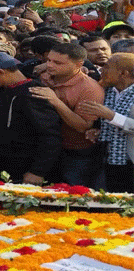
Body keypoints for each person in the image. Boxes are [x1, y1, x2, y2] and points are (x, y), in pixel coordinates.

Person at [0, 52, 62, 184]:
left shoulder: (34, 94)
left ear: (0, 72)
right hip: (0, 164)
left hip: (25, 167)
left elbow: (50, 135)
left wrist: (38, 171)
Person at [31, 43, 104, 187]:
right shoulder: (44, 76)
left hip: (77, 153)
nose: (50, 65)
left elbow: (82, 126)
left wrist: (55, 101)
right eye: (49, 60)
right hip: (45, 149)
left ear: (78, 64)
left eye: (57, 62)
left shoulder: (90, 89)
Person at [81, 53, 134, 193]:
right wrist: (98, 130)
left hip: (130, 161)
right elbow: (103, 121)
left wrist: (111, 116)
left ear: (123, 73)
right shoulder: (106, 90)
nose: (102, 70)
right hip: (107, 160)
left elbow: (112, 117)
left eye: (107, 67)